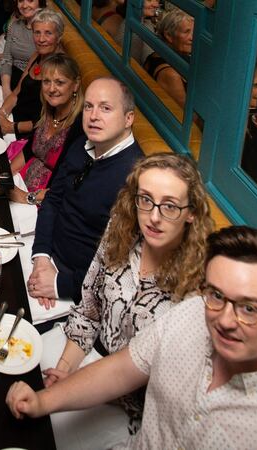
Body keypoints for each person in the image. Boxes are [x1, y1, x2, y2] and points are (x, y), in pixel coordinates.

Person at [8, 226, 257, 449]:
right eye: (216, 295)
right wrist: (42, 401)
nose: (226, 321)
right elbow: (120, 371)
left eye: (249, 309)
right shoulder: (192, 314)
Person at [42, 153, 214, 446]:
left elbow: (169, 390)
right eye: (146, 200)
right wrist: (65, 368)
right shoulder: (120, 232)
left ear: (192, 213)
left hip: (135, 411)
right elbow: (89, 310)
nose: (154, 217)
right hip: (87, 357)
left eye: (170, 206)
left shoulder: (199, 288)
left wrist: (78, 387)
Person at [28, 77, 143, 306]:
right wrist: (41, 256)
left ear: (128, 118)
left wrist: (60, 284)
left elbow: (120, 266)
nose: (93, 116)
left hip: (79, 289)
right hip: (45, 258)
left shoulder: (136, 177)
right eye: (88, 106)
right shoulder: (81, 144)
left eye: (105, 108)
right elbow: (53, 200)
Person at [7, 53, 84, 205]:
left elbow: (71, 185)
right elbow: (29, 149)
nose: (51, 89)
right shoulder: (48, 110)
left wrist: (27, 197)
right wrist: (7, 177)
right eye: (46, 82)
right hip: (21, 184)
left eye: (59, 82)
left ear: (75, 85)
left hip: (46, 202)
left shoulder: (80, 128)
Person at [0, 8, 65, 139]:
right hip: (15, 117)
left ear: (59, 36)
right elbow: (17, 92)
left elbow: (52, 121)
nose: (41, 39)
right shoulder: (36, 55)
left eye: (48, 33)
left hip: (33, 133)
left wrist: (11, 127)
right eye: (37, 32)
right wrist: (1, 114)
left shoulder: (61, 69)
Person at [143, 9, 194, 107]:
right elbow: (186, 113)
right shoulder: (170, 75)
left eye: (194, 32)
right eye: (186, 32)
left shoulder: (157, 55)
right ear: (169, 35)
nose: (192, 38)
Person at [0, 0, 44, 99]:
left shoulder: (44, 32)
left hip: (29, 84)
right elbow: (6, 59)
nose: (24, 5)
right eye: (20, 0)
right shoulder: (15, 25)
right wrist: (6, 89)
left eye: (30, 0)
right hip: (9, 78)